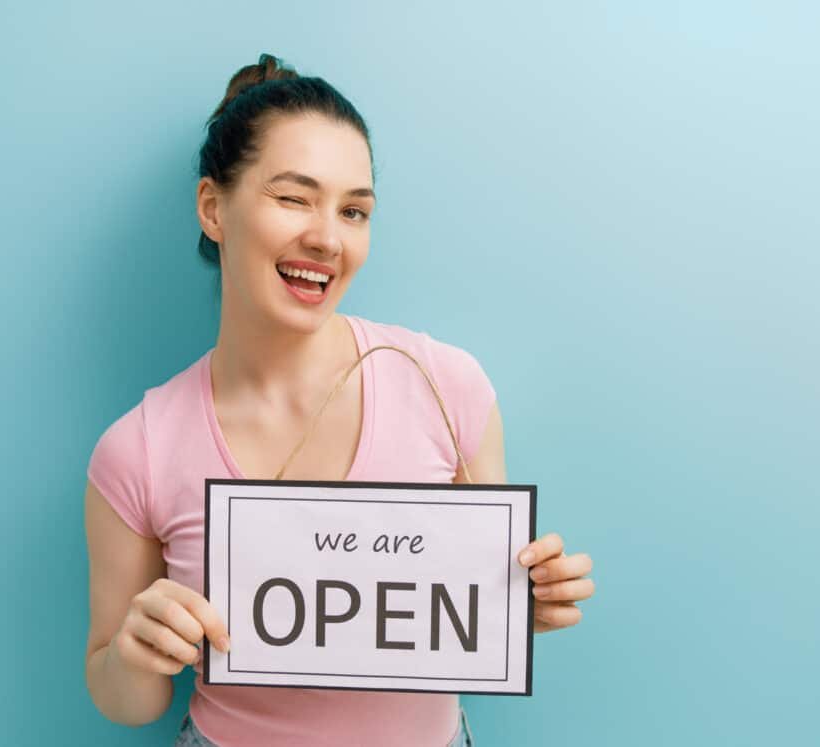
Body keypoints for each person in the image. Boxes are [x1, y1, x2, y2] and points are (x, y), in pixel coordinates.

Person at [83, 53, 596, 747]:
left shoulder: (449, 388)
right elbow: (126, 697)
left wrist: (522, 602)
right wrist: (134, 651)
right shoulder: (137, 449)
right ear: (214, 209)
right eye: (294, 198)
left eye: (354, 210)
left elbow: (473, 615)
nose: (327, 237)